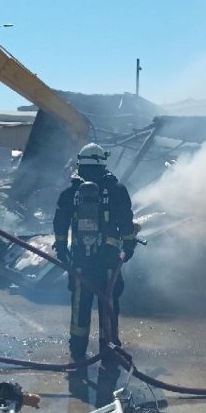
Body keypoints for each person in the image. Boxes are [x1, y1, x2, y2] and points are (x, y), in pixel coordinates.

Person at [53, 143, 137, 362]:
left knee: (80, 302)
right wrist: (129, 247)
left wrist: (62, 248)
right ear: (102, 162)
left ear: (80, 162)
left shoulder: (71, 191)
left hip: (80, 258)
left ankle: (78, 348)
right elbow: (126, 221)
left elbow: (60, 221)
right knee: (108, 301)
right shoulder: (116, 188)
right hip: (109, 259)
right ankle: (108, 347)